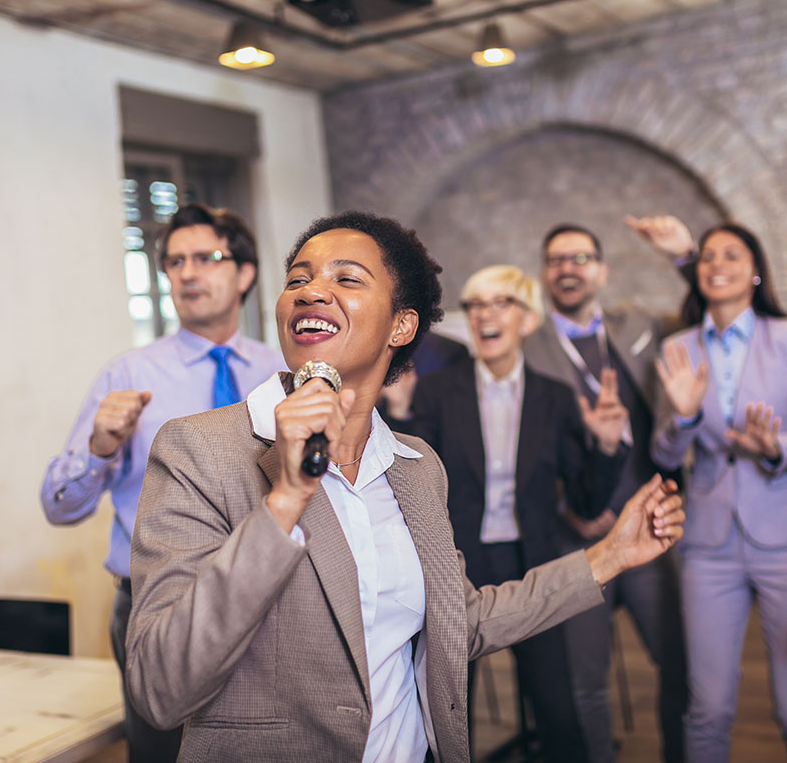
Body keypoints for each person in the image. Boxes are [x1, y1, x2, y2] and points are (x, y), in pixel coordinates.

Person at [125, 211, 686, 763]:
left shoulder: (416, 467)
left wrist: (611, 556)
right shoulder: (197, 452)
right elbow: (160, 688)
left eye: (346, 278)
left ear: (402, 326)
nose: (310, 291)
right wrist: (285, 501)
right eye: (297, 278)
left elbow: (458, 622)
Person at [39, 203, 285, 763]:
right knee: (163, 755)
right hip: (159, 604)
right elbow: (59, 508)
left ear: (245, 274)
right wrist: (98, 449)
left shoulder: (280, 373)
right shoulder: (128, 376)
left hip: (272, 598)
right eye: (175, 262)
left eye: (206, 258)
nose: (188, 274)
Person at [409, 265, 629, 762]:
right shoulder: (436, 393)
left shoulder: (555, 397)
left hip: (532, 559)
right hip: (455, 565)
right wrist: (398, 415)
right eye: (476, 305)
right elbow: (414, 487)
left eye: (500, 303)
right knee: (445, 707)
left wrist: (608, 447)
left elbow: (586, 504)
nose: (485, 315)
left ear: (528, 320)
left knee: (555, 704)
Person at [651, 222, 787, 763]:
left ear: (755, 272)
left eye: (732, 255)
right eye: (708, 256)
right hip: (709, 545)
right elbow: (664, 456)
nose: (717, 264)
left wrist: (777, 447)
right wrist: (685, 418)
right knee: (708, 710)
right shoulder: (677, 348)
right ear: (697, 273)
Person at [523, 218, 694, 762]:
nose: (567, 269)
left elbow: (702, 315)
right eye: (556, 260)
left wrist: (686, 258)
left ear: (601, 271)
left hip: (646, 526)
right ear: (545, 274)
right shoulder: (526, 350)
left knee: (680, 664)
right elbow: (517, 450)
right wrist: (564, 507)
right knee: (585, 681)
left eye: (580, 258)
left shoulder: (638, 325)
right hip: (577, 538)